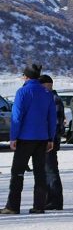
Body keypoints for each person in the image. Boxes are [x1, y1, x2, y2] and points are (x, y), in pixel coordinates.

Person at [1, 64, 57, 215]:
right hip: (42, 138)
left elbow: (17, 117)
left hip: (25, 138)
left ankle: (13, 206)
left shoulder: (22, 92)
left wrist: (13, 137)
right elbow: (52, 118)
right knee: (40, 173)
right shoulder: (47, 93)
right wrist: (51, 138)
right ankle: (39, 206)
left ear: (26, 77)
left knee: (17, 172)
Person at [39, 75, 65, 211]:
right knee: (47, 170)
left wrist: (49, 140)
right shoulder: (51, 99)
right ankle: (50, 199)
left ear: (46, 85)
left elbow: (54, 124)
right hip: (49, 139)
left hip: (50, 140)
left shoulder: (53, 99)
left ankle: (55, 201)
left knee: (51, 170)